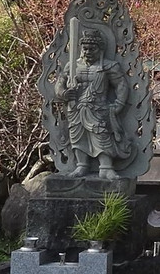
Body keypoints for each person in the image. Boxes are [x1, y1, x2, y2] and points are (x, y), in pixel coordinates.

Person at [56, 27, 131, 179]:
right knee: (77, 136)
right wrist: (64, 93)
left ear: (100, 49)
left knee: (101, 134)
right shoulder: (72, 66)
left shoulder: (108, 66)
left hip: (98, 107)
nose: (88, 52)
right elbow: (59, 84)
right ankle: (81, 165)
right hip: (76, 107)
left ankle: (106, 167)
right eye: (85, 48)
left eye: (92, 49)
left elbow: (121, 85)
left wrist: (119, 104)